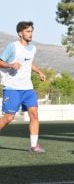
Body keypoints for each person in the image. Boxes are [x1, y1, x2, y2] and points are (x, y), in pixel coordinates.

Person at [0, 21, 46, 152]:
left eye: (31, 31)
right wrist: (10, 65)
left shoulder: (33, 48)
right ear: (20, 33)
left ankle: (34, 146)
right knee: (9, 117)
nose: (30, 34)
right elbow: (1, 61)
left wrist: (39, 72)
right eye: (27, 31)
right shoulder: (12, 47)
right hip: (12, 88)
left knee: (34, 114)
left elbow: (28, 63)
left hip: (28, 88)